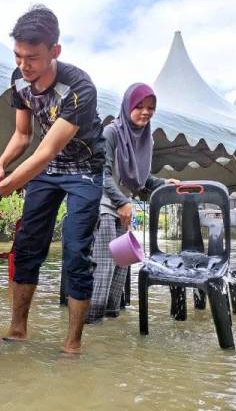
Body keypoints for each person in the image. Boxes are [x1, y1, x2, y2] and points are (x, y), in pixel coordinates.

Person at [0, 5, 105, 354]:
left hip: (83, 169)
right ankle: (18, 330)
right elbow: (23, 136)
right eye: (18, 56)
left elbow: (46, 152)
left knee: (75, 251)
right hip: (48, 170)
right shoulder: (19, 79)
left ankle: (72, 344)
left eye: (33, 57)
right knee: (27, 246)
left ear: (55, 51)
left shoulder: (80, 88)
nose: (24, 65)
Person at [87, 83, 179, 324]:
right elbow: (101, 173)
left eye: (150, 107)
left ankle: (110, 328)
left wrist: (162, 183)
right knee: (105, 267)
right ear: (128, 105)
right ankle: (92, 323)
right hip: (104, 207)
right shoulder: (111, 133)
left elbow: (140, 178)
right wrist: (120, 202)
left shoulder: (144, 140)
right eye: (139, 106)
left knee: (121, 268)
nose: (145, 112)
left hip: (123, 211)